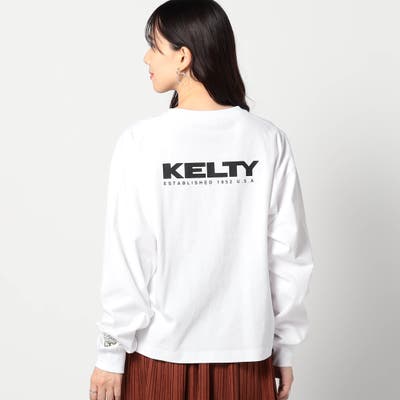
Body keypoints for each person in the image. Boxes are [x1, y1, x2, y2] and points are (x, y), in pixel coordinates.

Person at [89, 1, 315, 399]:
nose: (146, 57)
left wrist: (110, 352)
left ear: (183, 56)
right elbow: (288, 255)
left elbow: (129, 253)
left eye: (154, 46)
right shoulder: (266, 140)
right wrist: (285, 348)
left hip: (161, 356)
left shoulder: (141, 142)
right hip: (247, 356)